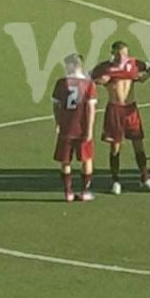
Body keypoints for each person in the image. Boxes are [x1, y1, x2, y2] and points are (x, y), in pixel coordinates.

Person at [92, 41, 150, 195]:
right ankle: (115, 181)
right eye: (121, 54)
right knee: (115, 146)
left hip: (131, 109)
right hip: (115, 109)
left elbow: (149, 68)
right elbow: (90, 78)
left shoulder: (133, 64)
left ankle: (145, 178)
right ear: (113, 53)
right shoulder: (105, 67)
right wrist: (100, 81)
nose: (124, 57)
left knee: (138, 144)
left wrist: (145, 76)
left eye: (125, 53)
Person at [52, 53, 99, 201]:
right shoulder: (89, 84)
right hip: (83, 128)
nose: (65, 68)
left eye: (67, 65)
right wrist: (90, 129)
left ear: (73, 65)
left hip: (66, 127)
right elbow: (91, 109)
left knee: (65, 160)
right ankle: (85, 191)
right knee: (87, 159)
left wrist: (58, 122)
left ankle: (68, 193)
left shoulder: (62, 82)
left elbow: (55, 104)